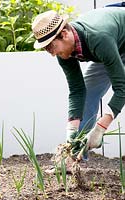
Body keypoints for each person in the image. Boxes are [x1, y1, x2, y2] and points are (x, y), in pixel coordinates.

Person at [32, 7, 125, 160]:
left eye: (51, 47)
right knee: (88, 94)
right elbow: (77, 90)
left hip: (110, 42)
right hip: (109, 49)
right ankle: (74, 157)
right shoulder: (63, 52)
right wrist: (72, 130)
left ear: (64, 34)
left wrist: (100, 128)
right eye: (47, 50)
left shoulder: (98, 37)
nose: (53, 54)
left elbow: (122, 88)